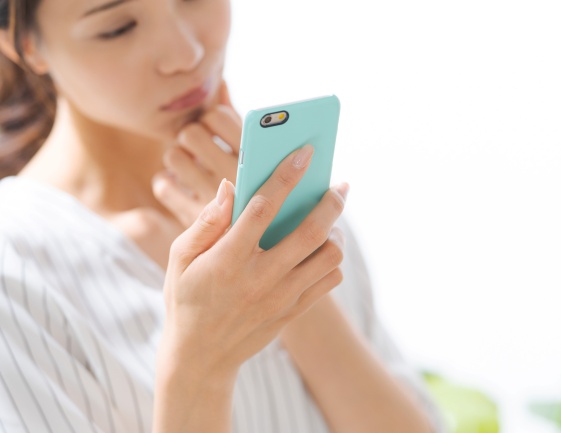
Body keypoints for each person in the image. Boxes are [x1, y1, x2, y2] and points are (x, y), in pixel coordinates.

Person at [0, 0, 445, 432]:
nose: (186, 53)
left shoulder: (287, 198)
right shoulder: (15, 270)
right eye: (118, 27)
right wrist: (199, 365)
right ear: (23, 43)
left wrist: (292, 283)